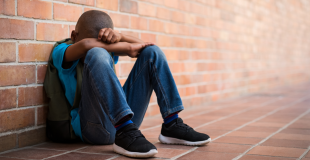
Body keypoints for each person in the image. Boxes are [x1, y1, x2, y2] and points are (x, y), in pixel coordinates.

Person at [51, 10, 211, 158]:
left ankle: (172, 123)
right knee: (96, 53)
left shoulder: (107, 49)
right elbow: (86, 45)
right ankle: (124, 131)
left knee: (152, 52)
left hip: (127, 124)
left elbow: (144, 45)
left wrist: (120, 36)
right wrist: (126, 47)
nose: (104, 49)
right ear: (73, 36)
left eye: (105, 45)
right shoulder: (62, 51)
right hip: (92, 129)